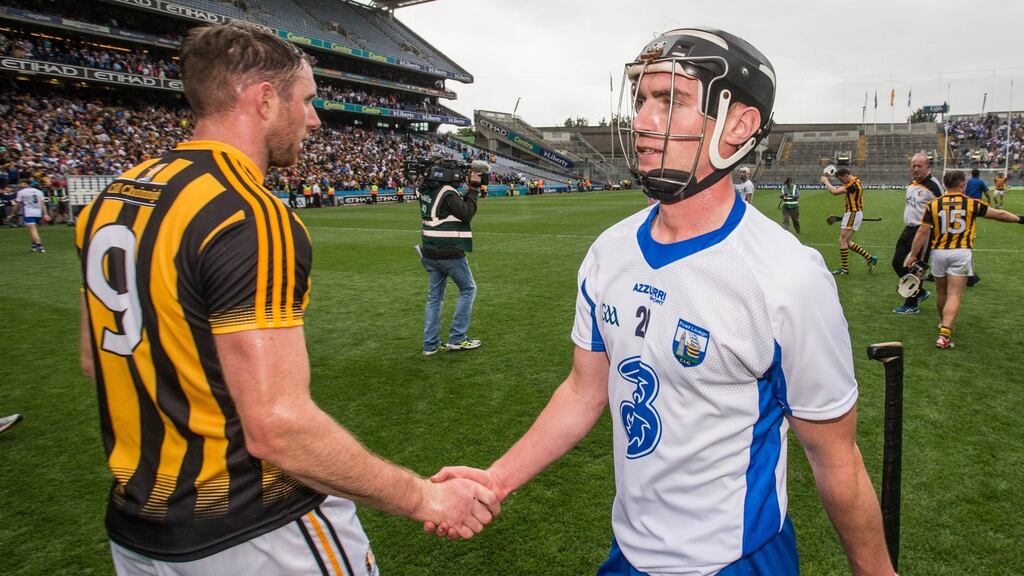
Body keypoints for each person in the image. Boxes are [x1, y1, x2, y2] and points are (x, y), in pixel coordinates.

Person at [428, 27, 895, 575]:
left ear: (738, 126)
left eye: (671, 101)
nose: (644, 121)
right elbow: (584, 390)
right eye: (642, 100)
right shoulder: (609, 253)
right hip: (627, 555)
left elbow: (835, 458)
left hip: (736, 561)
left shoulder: (789, 278)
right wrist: (497, 478)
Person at [76, 22, 497, 575]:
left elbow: (94, 361)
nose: (316, 119)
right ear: (265, 101)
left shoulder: (116, 196)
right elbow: (278, 426)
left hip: (139, 533)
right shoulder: (248, 212)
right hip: (253, 529)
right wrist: (426, 497)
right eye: (307, 101)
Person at [904, 170, 1024, 349]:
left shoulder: (934, 204)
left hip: (939, 252)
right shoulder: (971, 203)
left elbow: (922, 232)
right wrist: (1020, 219)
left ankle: (943, 323)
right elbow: (999, 215)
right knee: (954, 294)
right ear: (962, 184)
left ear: (945, 184)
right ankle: (944, 335)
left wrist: (913, 254)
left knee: (941, 292)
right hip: (961, 253)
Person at [417, 160, 482, 355]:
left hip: (429, 250)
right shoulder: (447, 191)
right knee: (468, 289)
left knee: (434, 297)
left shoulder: (426, 189)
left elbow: (450, 208)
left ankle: (430, 344)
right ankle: (458, 338)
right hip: (448, 251)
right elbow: (466, 213)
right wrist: (473, 190)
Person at [893, 153, 943, 314]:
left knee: (916, 268)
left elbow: (944, 208)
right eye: (913, 166)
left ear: (927, 167)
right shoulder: (912, 183)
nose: (915, 169)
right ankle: (920, 291)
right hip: (908, 229)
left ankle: (911, 304)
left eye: (919, 166)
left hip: (924, 231)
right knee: (897, 262)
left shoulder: (934, 186)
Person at [821, 167, 878, 275]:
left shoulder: (853, 184)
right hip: (852, 213)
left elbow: (835, 192)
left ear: (845, 176)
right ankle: (870, 258)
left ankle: (844, 269)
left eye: (841, 179)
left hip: (853, 213)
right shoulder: (854, 181)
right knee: (847, 242)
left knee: (842, 241)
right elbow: (839, 189)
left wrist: (826, 181)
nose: (841, 182)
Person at [13, 178, 50, 253]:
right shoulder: (39, 192)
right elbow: (43, 204)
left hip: (29, 212)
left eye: (20, 183)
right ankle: (34, 244)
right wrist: (45, 214)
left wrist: (13, 213)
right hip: (38, 213)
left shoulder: (21, 192)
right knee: (34, 229)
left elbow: (17, 204)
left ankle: (40, 246)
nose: (19, 185)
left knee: (32, 229)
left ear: (25, 184)